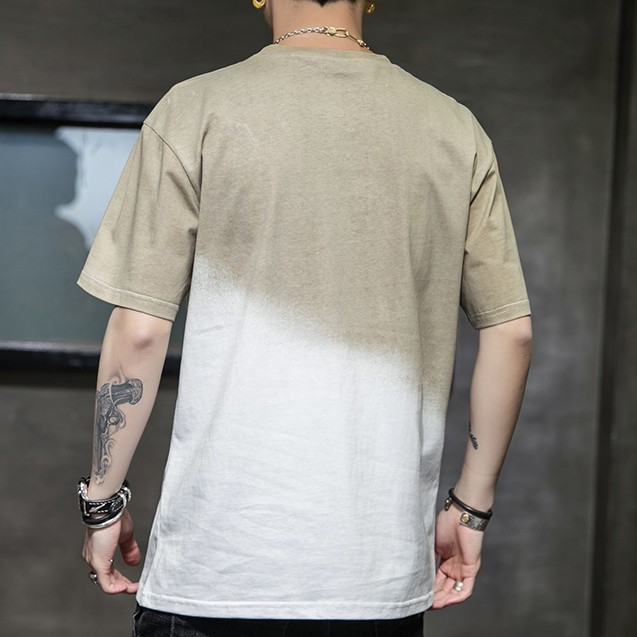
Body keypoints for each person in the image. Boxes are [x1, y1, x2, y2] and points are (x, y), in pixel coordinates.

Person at [78, 1, 532, 636]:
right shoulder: (455, 129)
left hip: (218, 570)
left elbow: (141, 330)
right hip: (376, 580)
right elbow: (511, 332)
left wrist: (102, 503)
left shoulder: (195, 110)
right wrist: (470, 509)